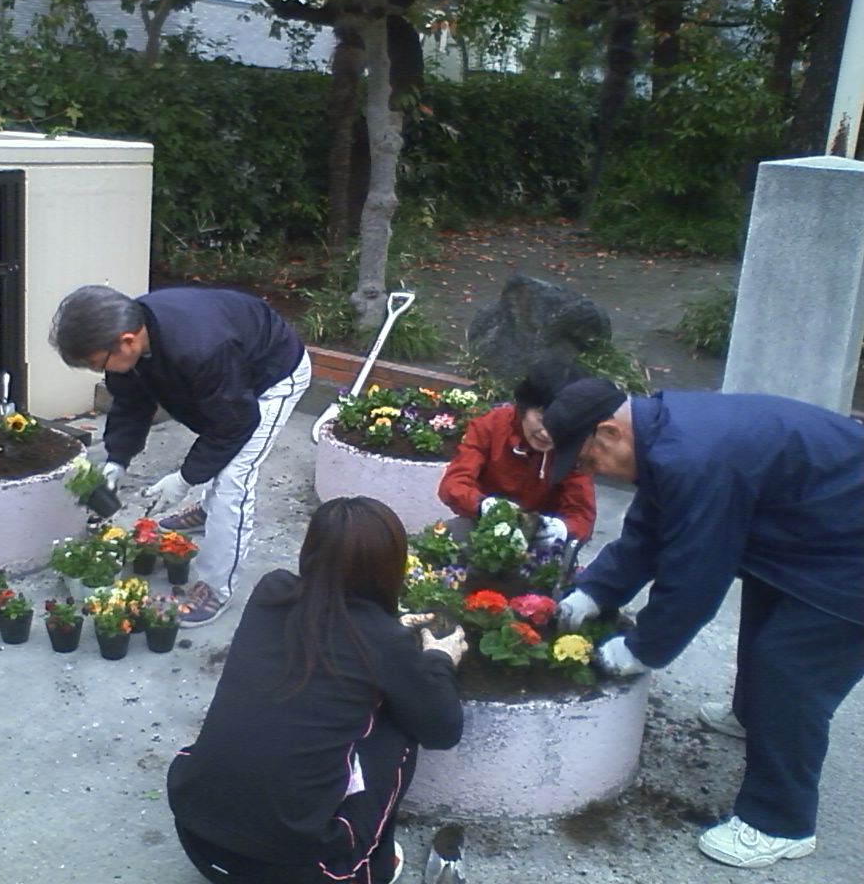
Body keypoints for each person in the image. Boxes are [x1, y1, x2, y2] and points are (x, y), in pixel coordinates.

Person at [544, 378, 864, 870]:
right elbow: (651, 529)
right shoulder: (663, 435)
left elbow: (695, 572)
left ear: (609, 432)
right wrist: (593, 593)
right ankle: (756, 716)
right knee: (766, 619)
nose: (590, 472)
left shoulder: (692, 457)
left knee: (790, 670)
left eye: (587, 461)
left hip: (849, 554)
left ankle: (779, 822)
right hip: (813, 529)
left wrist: (641, 648)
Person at [166, 497, 466, 883]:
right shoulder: (385, 642)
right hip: (297, 870)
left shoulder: (271, 592)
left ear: (310, 550)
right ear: (390, 566)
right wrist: (439, 658)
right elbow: (444, 730)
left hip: (197, 835)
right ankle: (372, 862)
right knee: (401, 725)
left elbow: (334, 630)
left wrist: (393, 627)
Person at [49, 284, 311, 626]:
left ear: (127, 341)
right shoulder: (134, 334)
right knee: (216, 438)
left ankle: (216, 588)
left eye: (100, 364)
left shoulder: (201, 347)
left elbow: (234, 423)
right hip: (231, 379)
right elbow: (131, 402)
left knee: (234, 478)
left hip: (272, 377)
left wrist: (185, 479)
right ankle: (207, 511)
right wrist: (117, 460)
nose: (102, 372)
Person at [437, 357, 595, 547]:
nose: (547, 433)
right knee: (446, 536)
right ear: (524, 407)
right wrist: (484, 506)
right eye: (542, 417)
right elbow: (453, 484)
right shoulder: (491, 426)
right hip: (483, 526)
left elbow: (582, 516)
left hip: (542, 540)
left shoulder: (575, 447)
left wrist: (560, 528)